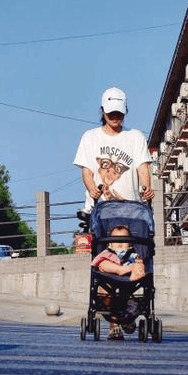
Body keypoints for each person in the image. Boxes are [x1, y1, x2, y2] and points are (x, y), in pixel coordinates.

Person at [73, 87, 154, 215]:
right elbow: (87, 172)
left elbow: (143, 168)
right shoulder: (90, 137)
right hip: (98, 210)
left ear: (125, 111)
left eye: (118, 112)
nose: (115, 116)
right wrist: (92, 189)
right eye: (111, 112)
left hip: (131, 210)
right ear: (103, 111)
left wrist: (146, 188)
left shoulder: (136, 137)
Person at [91, 224, 146, 340]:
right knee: (103, 263)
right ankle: (114, 324)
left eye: (124, 240)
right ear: (110, 243)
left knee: (139, 264)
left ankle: (126, 319)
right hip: (108, 277)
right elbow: (98, 264)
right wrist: (118, 269)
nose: (120, 243)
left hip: (127, 281)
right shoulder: (107, 252)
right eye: (116, 240)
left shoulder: (133, 255)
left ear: (130, 243)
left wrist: (139, 266)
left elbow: (140, 263)